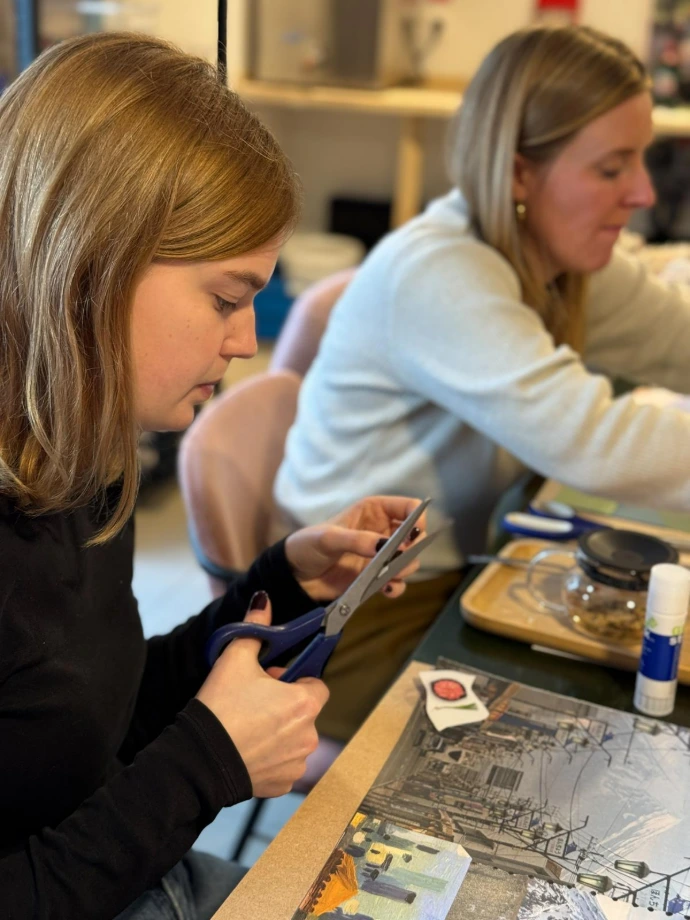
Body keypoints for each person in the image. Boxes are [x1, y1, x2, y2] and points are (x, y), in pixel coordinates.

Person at [0, 33, 426, 920]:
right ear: (90, 261)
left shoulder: (83, 457)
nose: (244, 341)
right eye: (227, 300)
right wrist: (206, 764)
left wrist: (278, 584)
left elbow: (78, 725)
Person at [275, 24, 690, 741]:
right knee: (588, 731)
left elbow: (679, 341)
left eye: (641, 163)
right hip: (350, 614)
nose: (643, 193)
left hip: (454, 573)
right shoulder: (442, 272)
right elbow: (593, 441)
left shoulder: (558, 258)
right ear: (521, 173)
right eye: (611, 168)